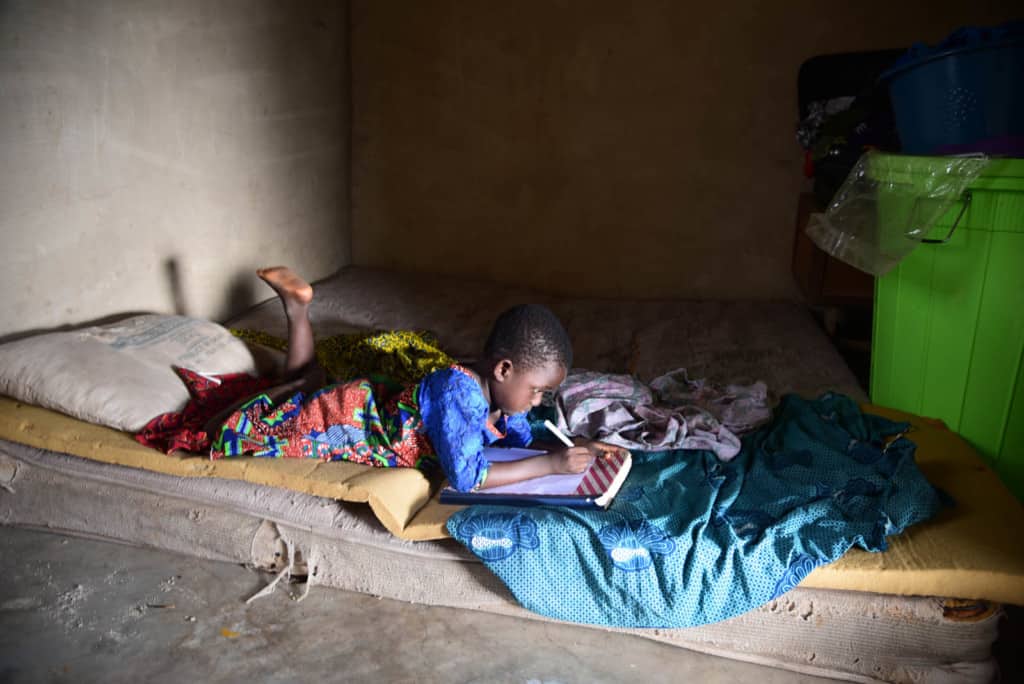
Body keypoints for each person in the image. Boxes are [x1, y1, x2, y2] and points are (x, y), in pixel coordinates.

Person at [210, 266, 621, 492]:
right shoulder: (457, 390)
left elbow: (520, 443)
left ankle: (298, 311)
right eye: (538, 392)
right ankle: (296, 315)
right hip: (346, 421)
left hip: (368, 402)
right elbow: (468, 477)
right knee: (268, 413)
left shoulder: (500, 400)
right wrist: (550, 464)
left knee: (306, 380)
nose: (537, 403)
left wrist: (574, 447)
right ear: (503, 369)